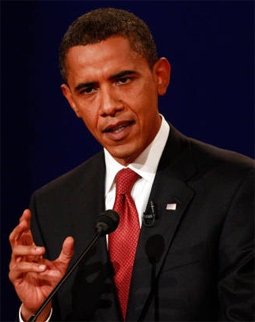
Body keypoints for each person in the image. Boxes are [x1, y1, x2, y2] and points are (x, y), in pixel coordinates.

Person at [9, 7, 254, 322]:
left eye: (122, 79)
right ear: (71, 101)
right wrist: (37, 312)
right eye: (88, 90)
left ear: (159, 76)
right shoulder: (52, 205)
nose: (109, 105)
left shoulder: (235, 186)